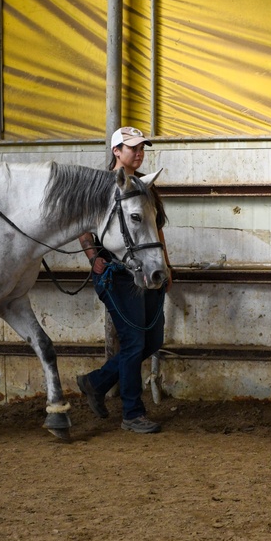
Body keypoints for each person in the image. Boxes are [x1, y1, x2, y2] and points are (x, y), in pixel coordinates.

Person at [76, 127, 172, 434]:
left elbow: (155, 229)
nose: (139, 152)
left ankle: (96, 382)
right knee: (134, 342)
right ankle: (132, 413)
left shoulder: (145, 185)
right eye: (132, 147)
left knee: (152, 340)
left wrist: (165, 265)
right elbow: (83, 226)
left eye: (142, 147)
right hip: (116, 274)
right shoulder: (99, 186)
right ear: (117, 151)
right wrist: (93, 257)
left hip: (147, 268)